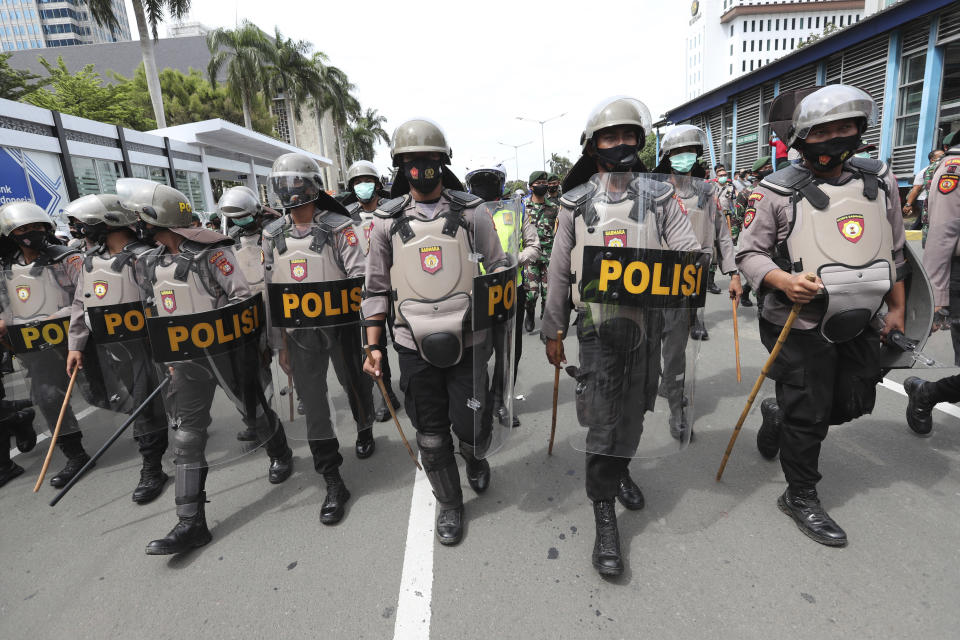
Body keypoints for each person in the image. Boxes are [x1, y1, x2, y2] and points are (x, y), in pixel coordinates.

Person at [737, 85, 906, 547]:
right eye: (824, 130)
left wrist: (898, 307)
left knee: (852, 400)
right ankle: (800, 494)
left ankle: (780, 415)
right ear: (803, 136)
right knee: (809, 412)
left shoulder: (880, 180)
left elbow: (894, 251)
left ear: (859, 130)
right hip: (799, 322)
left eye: (845, 128)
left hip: (859, 317)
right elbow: (748, 254)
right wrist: (781, 281)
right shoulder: (775, 191)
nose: (835, 137)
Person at [543, 96, 701, 577]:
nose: (621, 144)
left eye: (629, 136)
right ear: (594, 147)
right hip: (595, 330)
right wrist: (552, 330)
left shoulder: (660, 198)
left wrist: (688, 278)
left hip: (646, 326)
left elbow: (688, 254)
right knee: (603, 420)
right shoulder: (574, 204)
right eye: (610, 137)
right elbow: (557, 274)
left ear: (640, 141)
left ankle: (623, 466)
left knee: (634, 413)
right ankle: (604, 512)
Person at [120, 179, 293, 555]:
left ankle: (280, 452)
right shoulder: (149, 262)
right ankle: (190, 523)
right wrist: (167, 356)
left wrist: (220, 330)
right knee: (187, 437)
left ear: (159, 221)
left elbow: (242, 297)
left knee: (254, 413)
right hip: (185, 362)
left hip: (224, 354)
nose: (139, 226)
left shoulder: (210, 253)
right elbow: (155, 309)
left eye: (143, 220)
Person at [362, 118, 508, 546]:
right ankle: (449, 503)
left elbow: (497, 267)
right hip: (411, 342)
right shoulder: (386, 223)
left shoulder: (471, 212)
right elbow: (374, 289)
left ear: (443, 163)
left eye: (429, 160)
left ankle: (475, 452)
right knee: (430, 430)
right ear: (399, 166)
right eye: (411, 161)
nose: (421, 168)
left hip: (470, 340)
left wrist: (505, 300)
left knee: (473, 421)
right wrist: (373, 347)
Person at [262, 153, 376, 525]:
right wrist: (278, 343)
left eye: (296, 183)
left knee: (354, 383)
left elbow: (359, 276)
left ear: (310, 186)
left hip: (340, 326)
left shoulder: (339, 227)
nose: (289, 191)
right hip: (299, 333)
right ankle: (332, 478)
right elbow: (270, 292)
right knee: (314, 405)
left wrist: (366, 328)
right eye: (282, 184)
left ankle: (364, 427)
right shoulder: (271, 234)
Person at [64, 193, 170, 504]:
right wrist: (76, 344)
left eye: (85, 223)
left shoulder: (146, 257)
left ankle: (154, 465)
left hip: (148, 344)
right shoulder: (90, 260)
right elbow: (81, 304)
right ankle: (160, 454)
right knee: (142, 402)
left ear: (107, 222)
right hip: (114, 348)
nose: (79, 229)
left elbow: (164, 301)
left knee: (149, 402)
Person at [0, 202, 90, 488]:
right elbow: (6, 302)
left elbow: (84, 295)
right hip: (35, 345)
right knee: (49, 397)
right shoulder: (6, 266)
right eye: (24, 229)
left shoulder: (66, 258)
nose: (32, 234)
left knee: (116, 389)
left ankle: (158, 435)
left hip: (77, 337)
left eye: (37, 227)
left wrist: (59, 316)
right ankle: (75, 454)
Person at [465, 164, 540, 428]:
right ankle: (480, 404)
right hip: (477, 295)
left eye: (490, 179)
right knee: (478, 353)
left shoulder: (517, 211)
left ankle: (502, 403)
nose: (485, 185)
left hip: (509, 291)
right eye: (479, 181)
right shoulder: (465, 215)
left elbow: (535, 247)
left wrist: (514, 259)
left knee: (508, 353)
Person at [903, 137, 960, 428]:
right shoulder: (954, 166)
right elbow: (943, 233)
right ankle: (928, 393)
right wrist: (935, 298)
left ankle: (928, 392)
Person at [342, 160, 401, 422]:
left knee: (402, 337)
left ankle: (413, 384)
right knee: (374, 344)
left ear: (377, 184)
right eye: (356, 182)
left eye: (365, 181)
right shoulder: (346, 217)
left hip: (395, 283)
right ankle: (386, 393)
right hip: (364, 290)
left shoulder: (392, 210)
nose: (361, 186)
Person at [522, 170, 559, 333]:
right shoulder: (523, 207)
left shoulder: (554, 207)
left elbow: (559, 231)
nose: (543, 186)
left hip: (549, 256)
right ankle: (530, 313)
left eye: (545, 183)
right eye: (539, 184)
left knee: (548, 294)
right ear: (531, 187)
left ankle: (545, 319)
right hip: (530, 257)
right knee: (531, 294)